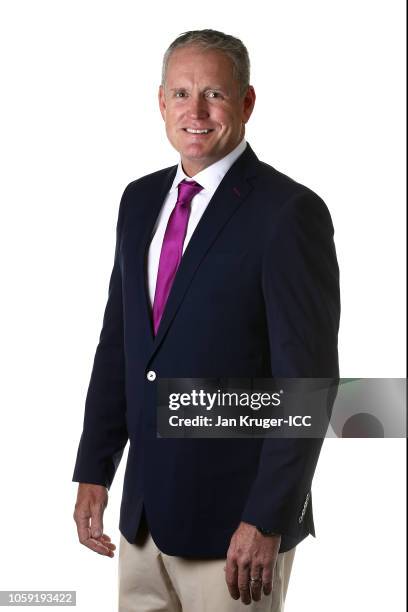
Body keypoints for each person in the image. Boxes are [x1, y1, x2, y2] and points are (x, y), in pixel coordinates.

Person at [72, 29, 340, 611]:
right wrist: (95, 466)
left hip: (236, 531)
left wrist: (266, 519)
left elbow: (310, 385)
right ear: (160, 101)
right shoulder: (139, 200)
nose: (195, 111)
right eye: (181, 93)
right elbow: (120, 344)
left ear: (245, 103)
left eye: (214, 94)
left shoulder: (288, 213)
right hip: (142, 522)